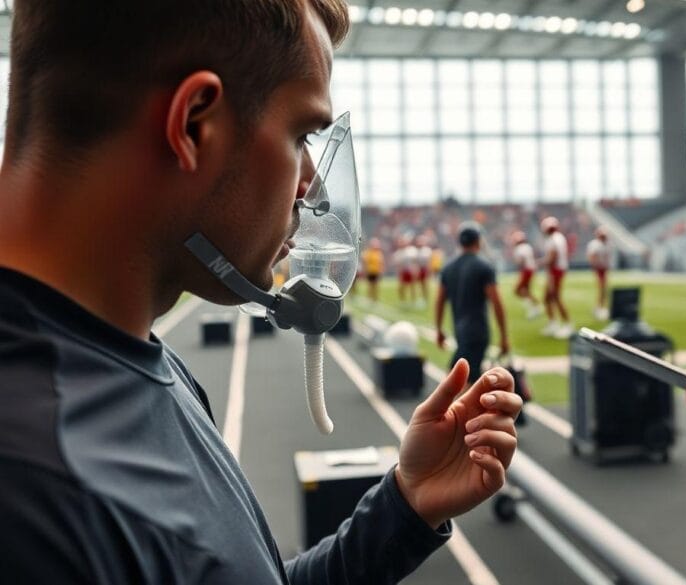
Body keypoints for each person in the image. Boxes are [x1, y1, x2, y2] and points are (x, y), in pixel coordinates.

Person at [0, 2, 521, 583]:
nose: (312, 185)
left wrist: (403, 507)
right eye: (301, 134)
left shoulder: (126, 355)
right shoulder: (38, 492)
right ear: (195, 123)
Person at [435, 223, 511, 384]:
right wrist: (504, 336)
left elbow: (440, 301)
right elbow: (497, 303)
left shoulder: (448, 268)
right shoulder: (483, 267)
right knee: (461, 383)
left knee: (461, 378)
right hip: (478, 332)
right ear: (478, 241)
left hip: (460, 331)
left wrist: (439, 329)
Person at [540, 216, 572, 338]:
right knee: (547, 298)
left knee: (556, 297)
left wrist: (540, 263)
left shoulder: (553, 239)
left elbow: (552, 258)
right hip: (558, 270)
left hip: (555, 271)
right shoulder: (559, 237)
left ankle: (567, 324)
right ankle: (553, 323)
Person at [510, 230, 540, 320]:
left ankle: (534, 307)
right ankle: (535, 306)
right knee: (526, 290)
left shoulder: (519, 248)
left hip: (526, 270)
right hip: (530, 269)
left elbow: (521, 261)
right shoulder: (527, 246)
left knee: (518, 290)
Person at [586, 227, 612, 321]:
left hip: (603, 269)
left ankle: (600, 307)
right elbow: (592, 257)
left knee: (603, 289)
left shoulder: (606, 244)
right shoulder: (595, 245)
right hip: (599, 269)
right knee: (602, 288)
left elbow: (607, 257)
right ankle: (599, 308)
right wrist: (597, 265)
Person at [362, 237, 385, 304]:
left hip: (376, 272)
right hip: (370, 271)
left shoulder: (379, 253)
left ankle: (375, 299)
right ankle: (369, 299)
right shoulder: (368, 252)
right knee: (370, 286)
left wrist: (381, 270)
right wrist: (365, 271)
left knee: (376, 286)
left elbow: (381, 263)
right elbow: (365, 262)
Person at [415, 235, 433, 309]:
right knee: (420, 285)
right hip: (420, 269)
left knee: (425, 285)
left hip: (425, 269)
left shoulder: (427, 250)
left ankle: (425, 299)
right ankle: (422, 298)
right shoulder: (417, 250)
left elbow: (429, 262)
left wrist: (429, 271)